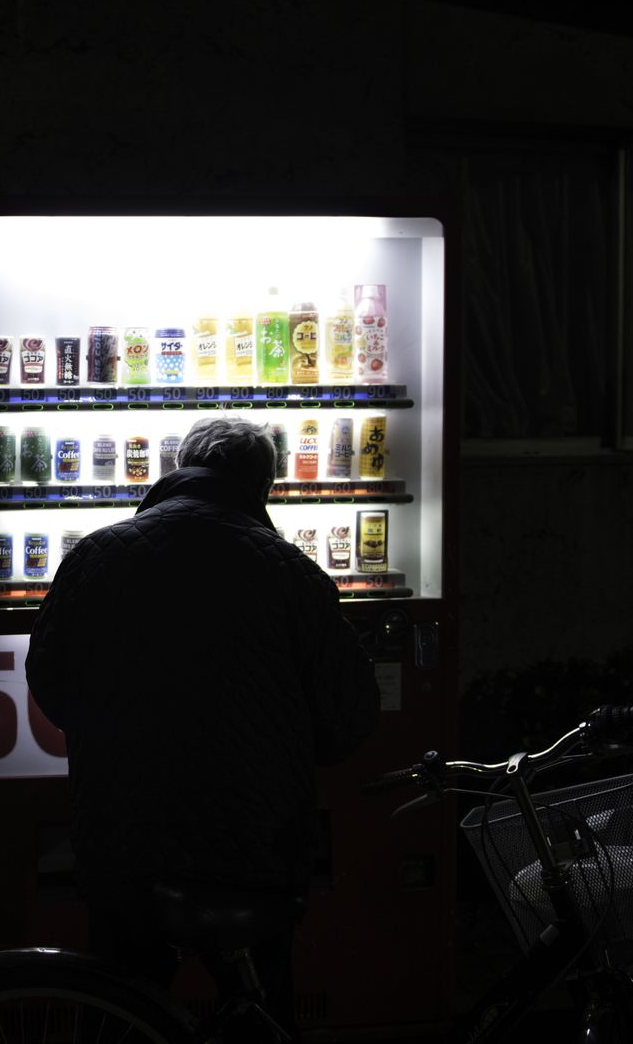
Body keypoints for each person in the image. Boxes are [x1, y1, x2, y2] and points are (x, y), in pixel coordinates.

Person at [26, 416, 378, 1041]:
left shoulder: (99, 553)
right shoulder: (292, 573)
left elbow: (49, 678)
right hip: (255, 846)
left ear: (178, 467)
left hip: (123, 836)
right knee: (261, 1012)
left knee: (115, 1010)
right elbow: (348, 723)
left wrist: (112, 739)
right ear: (262, 485)